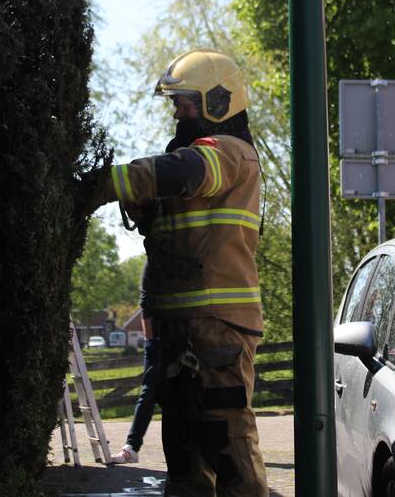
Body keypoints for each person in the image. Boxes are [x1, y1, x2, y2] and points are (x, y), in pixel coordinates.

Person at [80, 49, 268, 496]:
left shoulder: (230, 153)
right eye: (176, 104)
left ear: (216, 102)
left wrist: (100, 186)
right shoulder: (194, 160)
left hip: (218, 330)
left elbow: (184, 171)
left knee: (229, 449)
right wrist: (146, 208)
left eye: (185, 103)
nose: (177, 113)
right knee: (185, 458)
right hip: (181, 328)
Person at [111, 315, 159, 465]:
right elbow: (146, 310)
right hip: (159, 344)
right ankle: (131, 447)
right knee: (148, 395)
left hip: (183, 341)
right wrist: (151, 343)